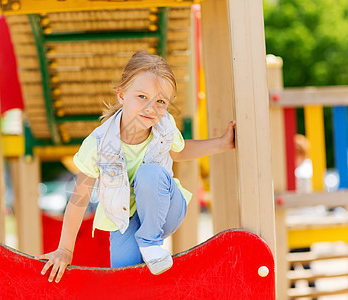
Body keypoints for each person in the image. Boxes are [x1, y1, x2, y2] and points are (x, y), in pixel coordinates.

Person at [36, 50, 236, 283]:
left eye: (161, 101)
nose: (151, 108)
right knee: (126, 280)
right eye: (142, 96)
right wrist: (65, 250)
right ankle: (145, 243)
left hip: (166, 207)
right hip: (125, 221)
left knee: (149, 174)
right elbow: (79, 198)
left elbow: (180, 151)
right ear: (121, 95)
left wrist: (222, 143)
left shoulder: (164, 127)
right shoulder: (99, 143)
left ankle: (150, 241)